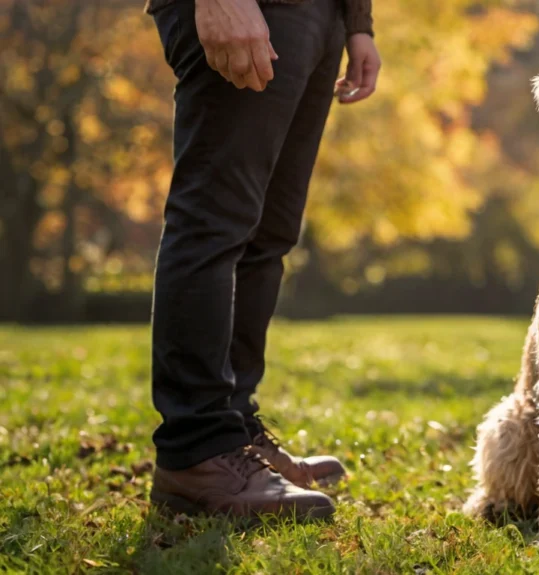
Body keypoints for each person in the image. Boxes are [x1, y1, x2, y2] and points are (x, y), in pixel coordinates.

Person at [143, 0, 381, 520]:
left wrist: (357, 23)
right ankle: (197, 449)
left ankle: (235, 433)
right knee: (214, 223)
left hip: (322, 17)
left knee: (268, 235)